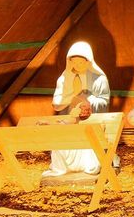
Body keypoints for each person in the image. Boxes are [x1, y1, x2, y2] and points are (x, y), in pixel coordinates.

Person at [44, 41, 111, 177]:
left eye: (81, 62)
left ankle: (90, 165)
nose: (77, 66)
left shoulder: (99, 79)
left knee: (89, 142)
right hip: (70, 121)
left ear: (88, 61)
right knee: (62, 140)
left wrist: (87, 101)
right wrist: (70, 100)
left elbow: (104, 101)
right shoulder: (64, 79)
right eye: (74, 62)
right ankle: (63, 167)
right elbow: (57, 102)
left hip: (90, 121)